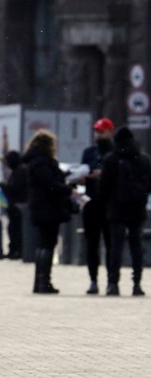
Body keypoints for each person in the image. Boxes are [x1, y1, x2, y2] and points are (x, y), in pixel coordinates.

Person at [99, 126, 151, 296]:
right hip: (137, 209)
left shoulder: (111, 159)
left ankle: (113, 283)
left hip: (116, 208)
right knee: (136, 246)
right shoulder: (143, 159)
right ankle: (137, 284)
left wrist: (106, 202)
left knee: (116, 246)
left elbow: (103, 186)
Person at [23, 129, 74, 294]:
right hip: (48, 208)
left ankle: (39, 281)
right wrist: (68, 189)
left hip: (39, 207)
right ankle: (44, 282)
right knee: (48, 244)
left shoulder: (34, 162)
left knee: (42, 244)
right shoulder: (43, 163)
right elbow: (50, 185)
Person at [77, 118, 115, 293]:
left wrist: (104, 175)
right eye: (96, 131)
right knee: (92, 244)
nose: (98, 135)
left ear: (110, 132)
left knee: (111, 244)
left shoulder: (115, 152)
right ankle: (93, 280)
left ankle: (111, 281)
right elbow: (82, 171)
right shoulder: (89, 152)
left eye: (101, 131)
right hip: (91, 203)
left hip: (110, 204)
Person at [0, 150, 29, 259]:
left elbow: (14, 189)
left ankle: (16, 251)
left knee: (16, 230)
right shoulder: (19, 170)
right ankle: (14, 250)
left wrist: (3, 186)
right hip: (16, 206)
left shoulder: (20, 171)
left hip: (18, 206)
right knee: (13, 229)